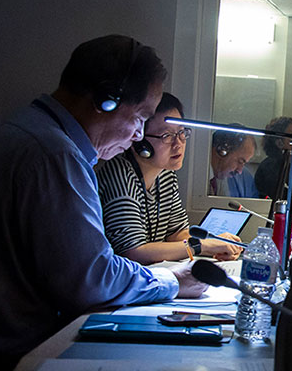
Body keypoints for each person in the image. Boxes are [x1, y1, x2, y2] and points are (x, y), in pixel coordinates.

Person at [0, 36, 208, 371]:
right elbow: (90, 279)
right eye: (137, 118)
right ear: (106, 100)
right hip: (10, 356)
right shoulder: (54, 155)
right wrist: (172, 281)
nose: (138, 135)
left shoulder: (31, 129)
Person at [97, 92, 243, 264]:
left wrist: (216, 241)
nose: (178, 143)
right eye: (167, 136)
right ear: (140, 140)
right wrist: (202, 246)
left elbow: (177, 232)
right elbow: (133, 251)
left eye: (182, 133)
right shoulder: (120, 175)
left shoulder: (165, 174)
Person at [209, 126, 258, 198]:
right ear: (222, 151)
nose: (240, 171)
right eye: (240, 161)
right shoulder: (196, 175)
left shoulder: (220, 175)